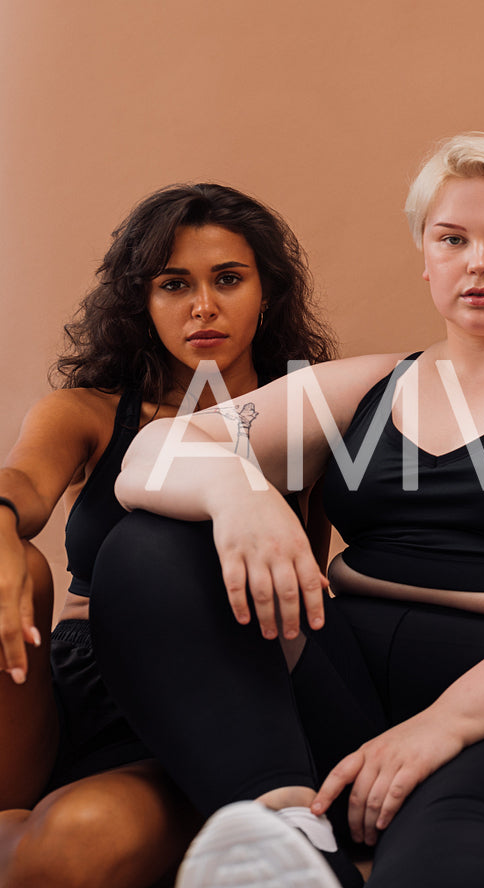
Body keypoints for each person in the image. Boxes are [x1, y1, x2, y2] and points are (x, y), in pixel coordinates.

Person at [85, 133, 484, 888]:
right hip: (348, 687)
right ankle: (291, 833)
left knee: (437, 843)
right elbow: (151, 454)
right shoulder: (364, 385)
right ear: (424, 257)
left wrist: (442, 726)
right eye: (452, 239)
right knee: (150, 548)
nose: (478, 261)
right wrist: (238, 494)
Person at [0, 183, 337, 888]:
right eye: (174, 284)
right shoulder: (86, 413)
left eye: (228, 280)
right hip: (66, 689)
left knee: (72, 845)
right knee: (14, 564)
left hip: (209, 705)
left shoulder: (309, 425)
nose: (203, 307)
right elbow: (24, 486)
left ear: (267, 294)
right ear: (141, 301)